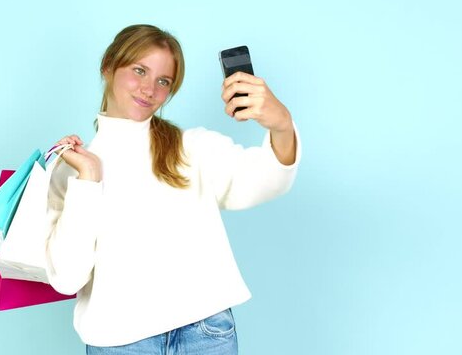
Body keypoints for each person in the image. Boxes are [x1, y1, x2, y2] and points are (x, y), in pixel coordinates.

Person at [45, 24, 301, 355]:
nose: (148, 89)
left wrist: (281, 123)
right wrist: (89, 177)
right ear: (108, 66)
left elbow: (267, 178)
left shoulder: (191, 147)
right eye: (139, 71)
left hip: (205, 333)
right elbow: (67, 278)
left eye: (163, 81)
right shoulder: (72, 168)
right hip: (120, 341)